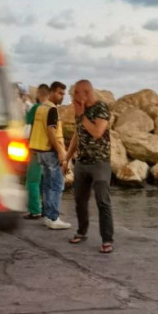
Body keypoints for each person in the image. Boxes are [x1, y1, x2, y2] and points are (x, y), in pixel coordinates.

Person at [64, 80, 113, 253]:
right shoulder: (79, 111)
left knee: (102, 201)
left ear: (86, 92)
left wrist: (82, 115)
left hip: (100, 163)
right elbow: (77, 136)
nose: (73, 97)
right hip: (82, 163)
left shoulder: (101, 108)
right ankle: (81, 231)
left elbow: (97, 132)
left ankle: (107, 239)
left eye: (75, 93)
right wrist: (66, 158)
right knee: (80, 201)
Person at [28, 81, 70, 229]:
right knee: (57, 185)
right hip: (51, 151)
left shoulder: (41, 107)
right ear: (52, 92)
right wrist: (60, 151)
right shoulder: (52, 109)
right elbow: (51, 131)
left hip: (40, 151)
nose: (62, 96)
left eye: (64, 94)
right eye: (60, 93)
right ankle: (53, 218)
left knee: (47, 184)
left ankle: (47, 215)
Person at [23, 85, 46, 219]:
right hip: (48, 150)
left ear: (39, 94)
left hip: (36, 149)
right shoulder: (51, 108)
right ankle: (45, 207)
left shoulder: (36, 108)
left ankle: (35, 210)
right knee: (44, 181)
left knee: (32, 181)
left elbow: (26, 120)